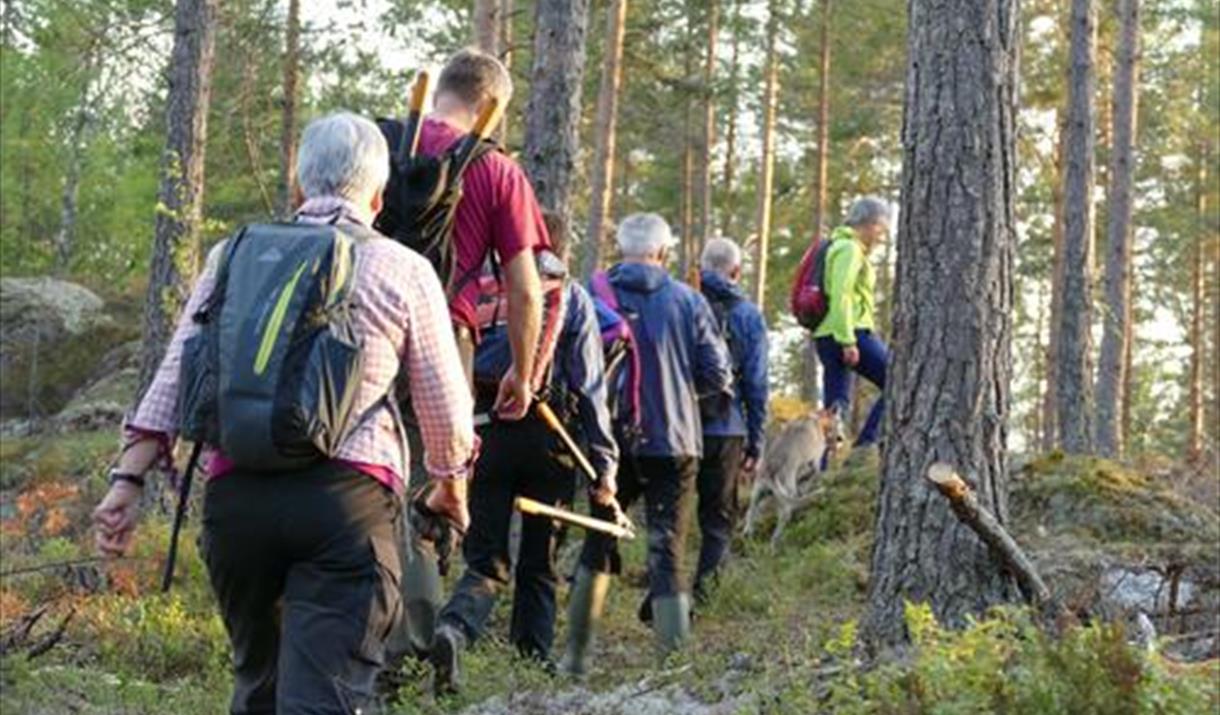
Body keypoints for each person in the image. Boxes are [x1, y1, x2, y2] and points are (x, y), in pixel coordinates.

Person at [90, 112, 477, 715]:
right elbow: (446, 411)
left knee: (259, 688)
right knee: (324, 697)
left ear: (298, 188)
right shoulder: (403, 268)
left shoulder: (232, 255)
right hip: (345, 507)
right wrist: (452, 487)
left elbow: (175, 374)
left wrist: (127, 480)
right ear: (378, 196)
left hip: (237, 503)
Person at [387, 47, 552, 664]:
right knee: (434, 488)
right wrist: (522, 370)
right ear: (490, 105)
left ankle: (346, 632)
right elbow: (526, 286)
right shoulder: (497, 170)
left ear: (440, 92)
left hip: (353, 338)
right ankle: (411, 650)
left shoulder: (384, 140)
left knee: (356, 479)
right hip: (441, 343)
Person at [429, 213, 621, 692]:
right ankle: (532, 664)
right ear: (558, 249)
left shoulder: (485, 288)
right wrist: (604, 466)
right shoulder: (570, 296)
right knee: (540, 560)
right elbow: (591, 387)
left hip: (485, 433)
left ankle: (455, 628)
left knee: (485, 557)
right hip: (550, 440)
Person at [564, 213, 733, 674]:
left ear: (620, 249)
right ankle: (671, 666)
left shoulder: (590, 294)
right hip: (674, 443)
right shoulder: (689, 301)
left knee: (597, 541)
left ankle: (575, 661)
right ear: (663, 253)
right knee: (668, 548)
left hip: (605, 443)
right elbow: (718, 375)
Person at [694, 237, 768, 599]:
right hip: (726, 426)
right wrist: (756, 440)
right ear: (736, 272)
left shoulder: (681, 301)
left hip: (677, 424)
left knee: (672, 516)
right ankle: (705, 595)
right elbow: (755, 383)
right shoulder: (748, 315)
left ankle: (665, 594)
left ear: (701, 267)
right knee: (719, 518)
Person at [812, 196, 892, 448]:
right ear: (871, 223)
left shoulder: (837, 245)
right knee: (898, 381)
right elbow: (842, 293)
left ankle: (824, 468)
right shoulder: (850, 249)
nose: (882, 236)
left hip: (827, 334)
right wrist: (847, 340)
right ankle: (865, 446)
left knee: (835, 408)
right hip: (850, 331)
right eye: (882, 229)